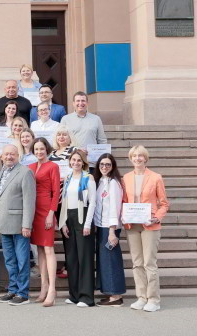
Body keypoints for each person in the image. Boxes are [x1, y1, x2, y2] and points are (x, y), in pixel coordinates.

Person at [122, 145, 169, 313]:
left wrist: (157, 217)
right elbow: (124, 201)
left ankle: (153, 299)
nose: (137, 158)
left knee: (149, 262)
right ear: (130, 158)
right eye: (134, 156)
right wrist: (123, 214)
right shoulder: (126, 178)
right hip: (132, 225)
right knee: (137, 263)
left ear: (145, 158)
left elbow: (164, 204)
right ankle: (141, 297)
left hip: (150, 224)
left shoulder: (156, 177)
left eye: (140, 156)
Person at [0, 144, 36, 307]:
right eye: (6, 154)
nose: (9, 157)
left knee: (22, 260)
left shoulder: (25, 172)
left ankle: (23, 293)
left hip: (19, 226)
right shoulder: (2, 172)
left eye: (12, 154)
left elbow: (29, 201)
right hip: (4, 224)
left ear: (17, 155)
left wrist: (27, 225)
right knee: (10, 260)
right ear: (1, 157)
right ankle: (13, 289)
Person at [59, 149, 97, 307]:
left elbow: (92, 202)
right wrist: (62, 224)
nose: (76, 163)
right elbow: (65, 201)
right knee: (72, 258)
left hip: (83, 217)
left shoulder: (88, 178)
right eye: (73, 160)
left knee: (84, 258)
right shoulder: (67, 178)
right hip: (69, 217)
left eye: (79, 160)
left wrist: (87, 224)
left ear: (83, 162)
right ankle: (74, 294)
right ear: (69, 161)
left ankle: (86, 296)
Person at [27, 137, 60, 307]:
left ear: (47, 149)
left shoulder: (53, 166)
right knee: (39, 249)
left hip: (46, 209)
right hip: (33, 210)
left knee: (48, 248)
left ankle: (52, 289)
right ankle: (43, 287)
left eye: (42, 149)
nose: (39, 152)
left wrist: (51, 214)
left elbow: (56, 192)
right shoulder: (31, 167)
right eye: (36, 149)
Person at [92, 153, 126, 306]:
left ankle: (116, 296)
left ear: (113, 167)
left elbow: (115, 208)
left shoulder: (113, 183)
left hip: (109, 227)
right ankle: (111, 293)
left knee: (111, 261)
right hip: (101, 226)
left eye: (108, 164)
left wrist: (112, 231)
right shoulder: (100, 182)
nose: (104, 167)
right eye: (102, 164)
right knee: (105, 261)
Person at [48, 125, 76, 279]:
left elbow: (79, 168)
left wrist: (67, 178)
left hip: (69, 196)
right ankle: (67, 264)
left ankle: (69, 265)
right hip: (56, 197)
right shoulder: (51, 154)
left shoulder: (74, 151)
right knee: (62, 230)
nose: (62, 137)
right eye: (59, 135)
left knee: (68, 232)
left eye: (64, 134)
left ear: (69, 137)